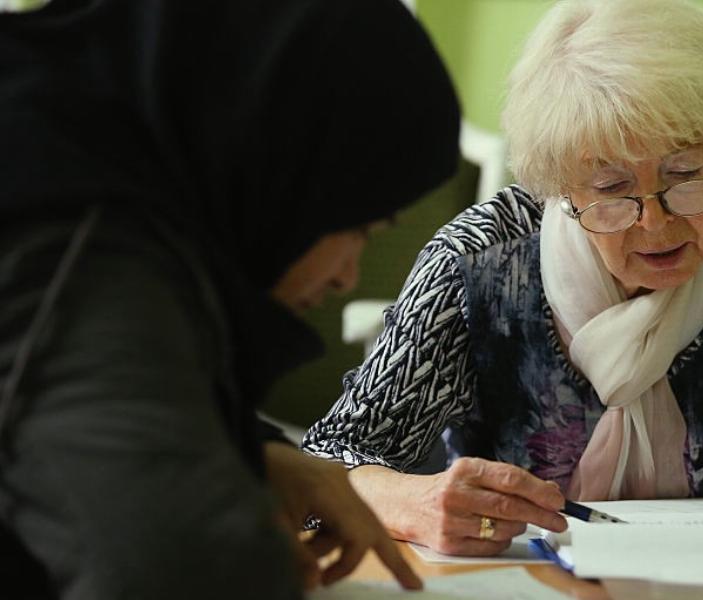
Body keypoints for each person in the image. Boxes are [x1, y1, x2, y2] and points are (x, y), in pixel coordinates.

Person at [303, 0, 703, 558]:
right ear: (558, 186)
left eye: (687, 174)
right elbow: (329, 459)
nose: (656, 221)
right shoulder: (476, 263)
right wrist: (413, 499)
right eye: (611, 189)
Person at [0, 0, 460, 598]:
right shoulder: (76, 246)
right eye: (356, 230)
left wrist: (256, 451)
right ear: (284, 167)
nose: (348, 275)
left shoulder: (76, 154)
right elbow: (187, 566)